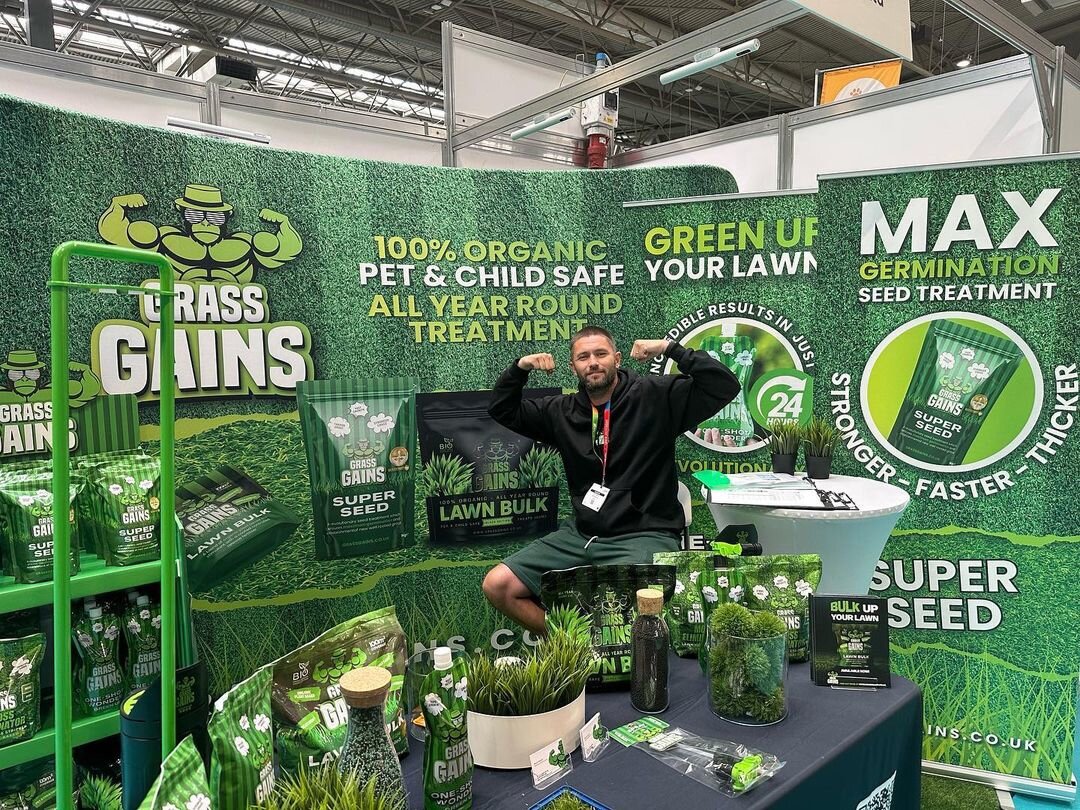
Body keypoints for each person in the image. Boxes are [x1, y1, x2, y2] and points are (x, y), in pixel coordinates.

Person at [483, 326, 741, 634]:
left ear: (617, 359)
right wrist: (520, 368)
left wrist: (669, 348)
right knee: (498, 585)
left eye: (601, 354)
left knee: (631, 612)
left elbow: (724, 385)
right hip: (581, 535)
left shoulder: (656, 396)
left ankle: (618, 651)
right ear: (573, 367)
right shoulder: (561, 412)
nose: (593, 362)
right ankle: (573, 647)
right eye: (583, 357)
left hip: (644, 533)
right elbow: (502, 408)